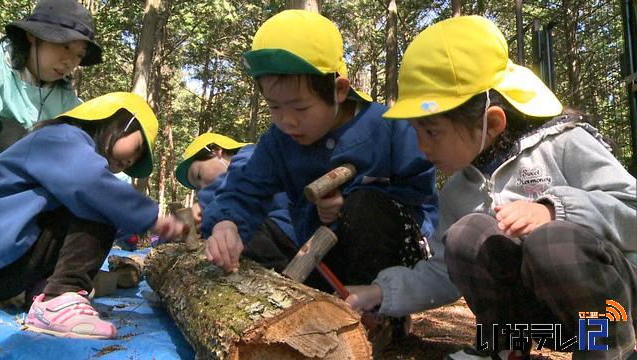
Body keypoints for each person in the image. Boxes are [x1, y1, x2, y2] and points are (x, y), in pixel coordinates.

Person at [382, 15, 637, 360]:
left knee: (554, 242)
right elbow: (443, 271)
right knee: (467, 234)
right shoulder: (458, 191)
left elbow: (631, 209)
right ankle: (504, 348)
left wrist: (553, 209)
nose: (422, 146)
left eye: (432, 132)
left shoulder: (565, 144)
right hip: (548, 322)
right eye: (415, 131)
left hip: (612, 306)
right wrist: (382, 292)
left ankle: (604, 351)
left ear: (493, 122)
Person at [202, 10, 457, 316]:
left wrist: (350, 204)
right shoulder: (277, 141)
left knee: (365, 209)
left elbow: (422, 202)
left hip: (384, 264)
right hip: (317, 258)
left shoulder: (389, 128)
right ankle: (295, 310)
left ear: (339, 90)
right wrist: (226, 223)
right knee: (254, 237)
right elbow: (245, 190)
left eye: (300, 107)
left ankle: (378, 318)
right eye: (274, 107)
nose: (287, 120)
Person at [0, 92, 186, 340]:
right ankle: (58, 299)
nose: (131, 160)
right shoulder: (61, 136)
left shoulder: (73, 156)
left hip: (11, 267)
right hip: (6, 259)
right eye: (137, 149)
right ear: (119, 121)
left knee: (104, 202)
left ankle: (43, 291)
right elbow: (92, 186)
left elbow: (99, 227)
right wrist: (155, 219)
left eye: (137, 160)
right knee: (103, 201)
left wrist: (138, 229)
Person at [175, 132, 297, 271]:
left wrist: (203, 206)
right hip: (276, 239)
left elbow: (239, 184)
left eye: (199, 175)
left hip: (287, 232)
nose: (202, 187)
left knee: (239, 232)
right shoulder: (217, 201)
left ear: (216, 152)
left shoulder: (251, 154)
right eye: (197, 187)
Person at [0, 0, 102, 153]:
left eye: (79, 55)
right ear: (33, 36)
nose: (70, 62)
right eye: (65, 46)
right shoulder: (1, 66)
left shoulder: (65, 98)